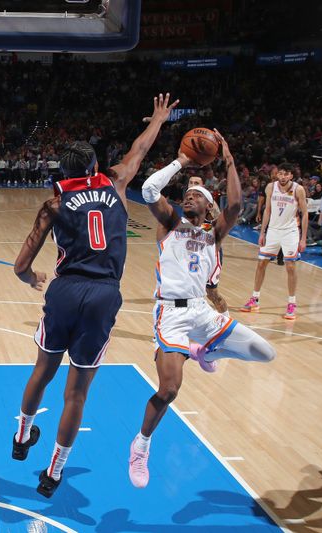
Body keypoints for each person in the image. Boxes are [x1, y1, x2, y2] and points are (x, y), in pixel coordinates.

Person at [11, 93, 177, 498]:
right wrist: (158, 119)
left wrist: (32, 277)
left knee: (41, 371)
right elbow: (139, 150)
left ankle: (21, 435)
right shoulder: (116, 181)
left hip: (65, 291)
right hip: (103, 295)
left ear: (61, 173)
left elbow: (20, 265)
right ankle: (53, 472)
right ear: (97, 167)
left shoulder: (54, 204)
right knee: (76, 392)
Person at [128, 130, 276, 488]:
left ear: (209, 207)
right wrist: (181, 161)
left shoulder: (214, 234)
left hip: (203, 313)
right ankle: (141, 445)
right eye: (187, 195)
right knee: (169, 389)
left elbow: (237, 207)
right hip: (171, 314)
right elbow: (149, 191)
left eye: (196, 195)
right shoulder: (169, 225)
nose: (188, 197)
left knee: (264, 352)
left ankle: (206, 349)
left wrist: (229, 159)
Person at [242, 163, 309, 319]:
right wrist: (262, 232)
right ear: (277, 175)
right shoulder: (270, 187)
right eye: (280, 174)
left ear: (291, 176)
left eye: (286, 174)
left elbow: (305, 213)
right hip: (273, 231)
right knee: (261, 263)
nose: (283, 177)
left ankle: (292, 303)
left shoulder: (298, 189)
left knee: (290, 266)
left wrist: (303, 238)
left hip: (290, 232)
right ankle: (255, 299)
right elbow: (268, 210)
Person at [188, 175, 228, 315]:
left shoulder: (210, 206)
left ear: (203, 186)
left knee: (212, 293)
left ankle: (225, 321)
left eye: (196, 183)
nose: (193, 184)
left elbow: (220, 230)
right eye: (191, 182)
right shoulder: (188, 203)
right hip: (193, 251)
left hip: (210, 252)